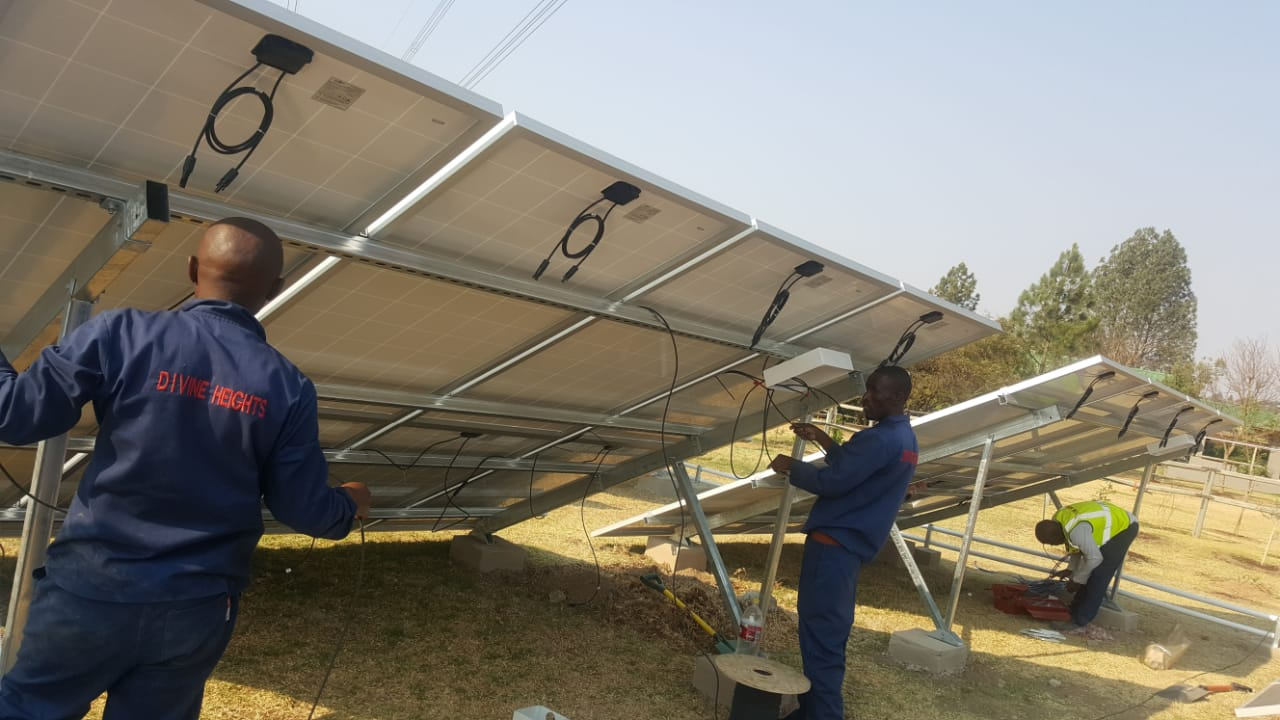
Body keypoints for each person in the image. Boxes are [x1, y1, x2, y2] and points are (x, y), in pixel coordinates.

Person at [0, 217, 372, 720]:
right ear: (276, 288)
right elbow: (303, 509)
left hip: (90, 591)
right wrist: (350, 502)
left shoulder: (121, 333)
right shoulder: (287, 386)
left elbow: (16, 415)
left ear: (193, 269)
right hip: (194, 609)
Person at [770, 365, 918, 720]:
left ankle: (823, 715)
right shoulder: (904, 439)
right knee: (826, 635)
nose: (866, 397)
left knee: (822, 639)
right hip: (848, 552)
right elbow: (858, 470)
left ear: (898, 396)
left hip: (832, 550)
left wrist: (793, 467)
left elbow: (834, 482)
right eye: (867, 389)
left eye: (874, 391)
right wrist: (824, 440)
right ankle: (809, 712)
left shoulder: (879, 439)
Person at [1035, 499, 1138, 630]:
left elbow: (1095, 558)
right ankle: (1074, 611)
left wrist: (1077, 580)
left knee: (1099, 574)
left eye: (1051, 542)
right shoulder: (1059, 520)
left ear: (1057, 536)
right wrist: (1071, 569)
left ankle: (1080, 620)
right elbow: (1076, 546)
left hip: (1125, 527)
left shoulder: (1076, 531)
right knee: (1088, 571)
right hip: (1112, 520)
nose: (1052, 545)